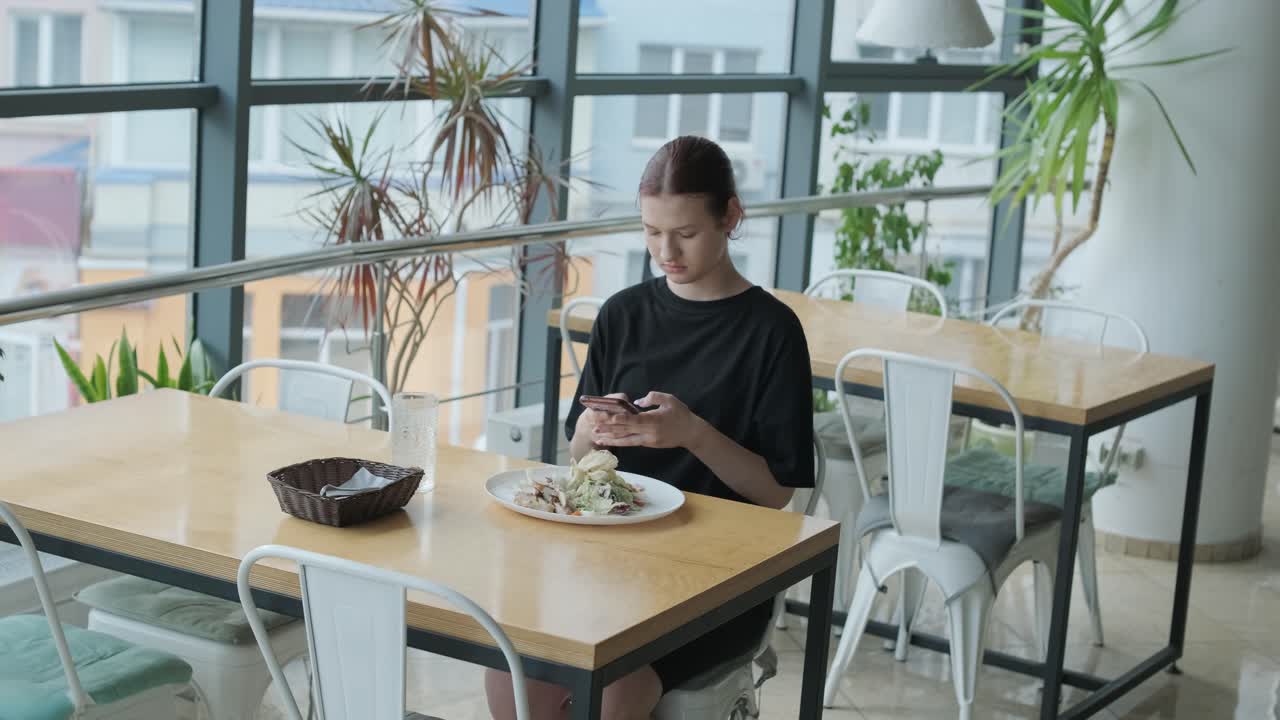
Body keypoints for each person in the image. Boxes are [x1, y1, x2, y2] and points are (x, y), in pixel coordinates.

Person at [485, 135, 815, 719]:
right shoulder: (622, 314)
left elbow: (777, 491)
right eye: (651, 231)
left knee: (616, 686)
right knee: (511, 668)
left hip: (719, 580)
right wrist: (595, 425)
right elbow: (576, 453)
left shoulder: (772, 331)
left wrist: (692, 434)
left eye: (685, 233)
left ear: (730, 216)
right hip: (612, 561)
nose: (667, 250)